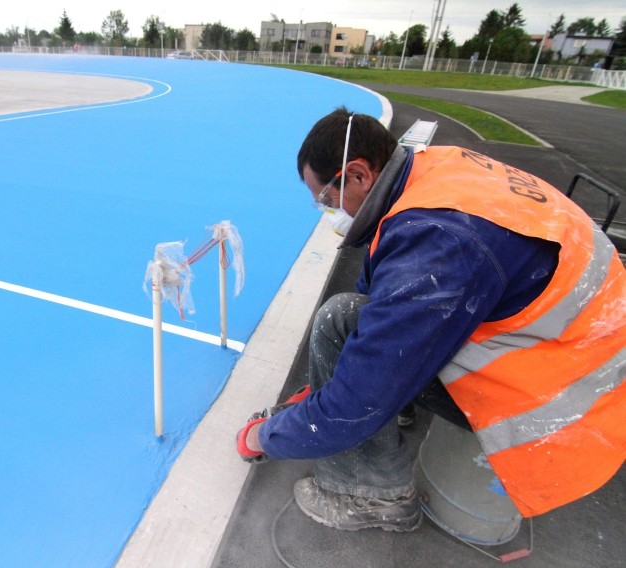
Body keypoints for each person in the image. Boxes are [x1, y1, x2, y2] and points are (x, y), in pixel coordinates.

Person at [236, 108, 626, 532]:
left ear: (360, 174)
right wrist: (324, 386)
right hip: (574, 346)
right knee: (370, 327)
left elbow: (354, 404)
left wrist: (264, 435)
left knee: (340, 323)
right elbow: (385, 299)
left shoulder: (436, 241)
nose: (329, 212)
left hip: (564, 400)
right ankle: (399, 410)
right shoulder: (435, 171)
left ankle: (376, 495)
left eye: (328, 199)